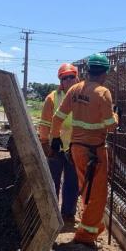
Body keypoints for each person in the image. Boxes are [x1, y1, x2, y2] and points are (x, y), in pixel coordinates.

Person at [49, 54, 119, 247]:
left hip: (76, 149)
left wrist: (55, 138)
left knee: (87, 190)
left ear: (87, 71)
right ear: (104, 73)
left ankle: (92, 228)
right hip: (94, 151)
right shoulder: (103, 93)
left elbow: (57, 117)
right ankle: (85, 236)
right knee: (98, 195)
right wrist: (116, 115)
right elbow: (110, 126)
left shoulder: (75, 89)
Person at [39, 63, 81, 225]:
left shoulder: (84, 96)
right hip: (55, 147)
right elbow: (44, 124)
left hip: (75, 147)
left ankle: (68, 214)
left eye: (71, 76)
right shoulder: (52, 98)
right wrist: (45, 143)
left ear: (77, 78)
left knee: (72, 182)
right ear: (60, 81)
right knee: (52, 181)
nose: (68, 80)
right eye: (65, 78)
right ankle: (51, 214)